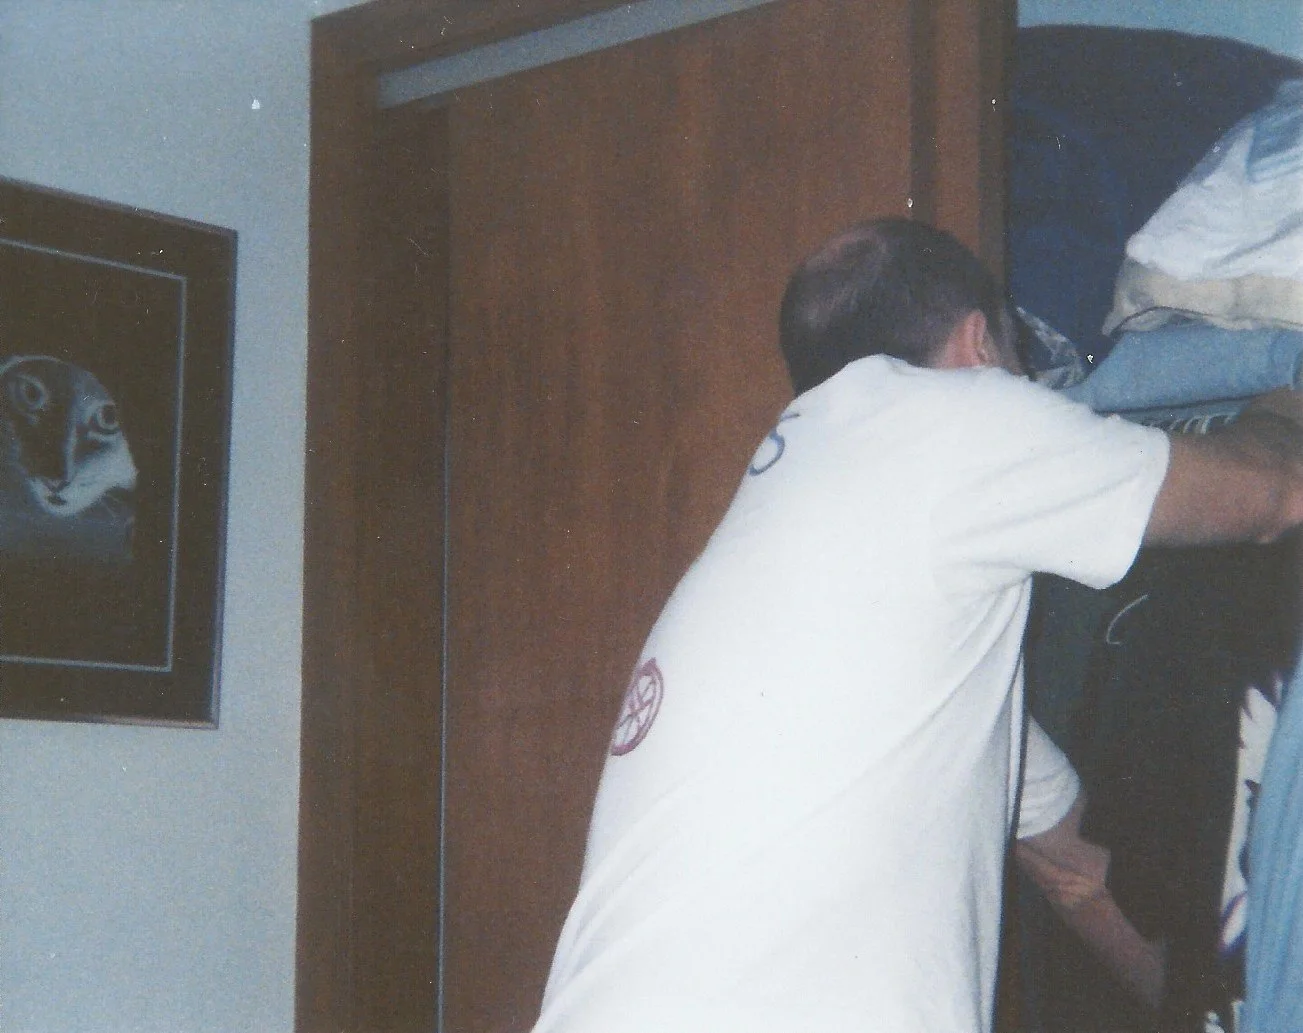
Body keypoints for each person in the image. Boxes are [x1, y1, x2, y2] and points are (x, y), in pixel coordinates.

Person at [529, 218, 1303, 1032]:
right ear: (978, 345)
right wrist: (1286, 375)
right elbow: (1273, 491)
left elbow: (1066, 866)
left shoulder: (844, 584)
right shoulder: (949, 420)